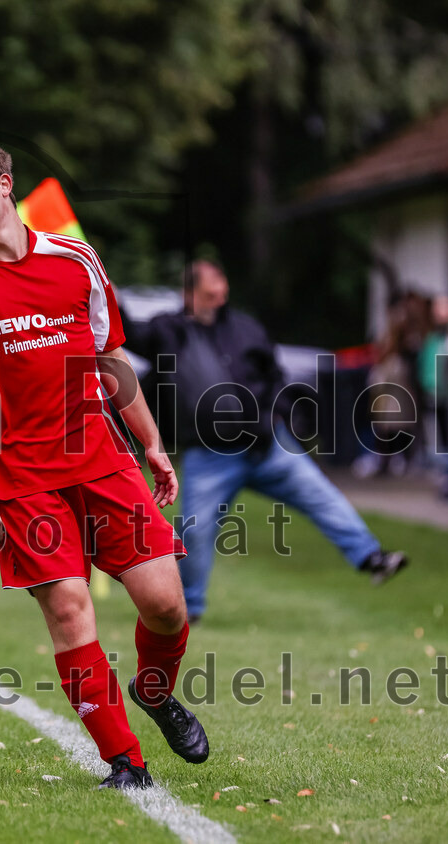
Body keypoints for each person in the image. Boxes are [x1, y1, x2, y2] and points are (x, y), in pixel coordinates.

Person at [0, 140, 207, 792]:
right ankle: (124, 762)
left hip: (105, 463)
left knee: (166, 606)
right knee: (71, 612)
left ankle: (155, 693)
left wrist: (152, 443)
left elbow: (111, 359)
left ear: (5, 185)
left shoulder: (76, 257)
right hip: (21, 481)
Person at [123, 259, 408, 624]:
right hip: (210, 455)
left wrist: (280, 414)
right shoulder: (169, 331)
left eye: (221, 288)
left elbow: (276, 377)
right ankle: (189, 607)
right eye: (209, 291)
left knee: (321, 495)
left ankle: (371, 557)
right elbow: (127, 331)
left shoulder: (245, 328)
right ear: (190, 293)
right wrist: (105, 292)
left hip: (269, 445)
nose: (218, 296)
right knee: (194, 530)